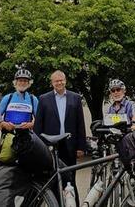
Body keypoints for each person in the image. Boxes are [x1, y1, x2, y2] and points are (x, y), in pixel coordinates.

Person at [34, 70, 86, 204]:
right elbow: (38, 125)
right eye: (56, 81)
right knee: (53, 180)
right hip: (50, 147)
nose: (59, 83)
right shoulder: (44, 99)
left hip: (70, 146)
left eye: (61, 80)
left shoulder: (75, 98)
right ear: (52, 83)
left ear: (65, 80)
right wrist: (39, 147)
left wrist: (81, 146)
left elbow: (80, 123)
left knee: (71, 180)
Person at [0, 67, 39, 131]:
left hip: (26, 134)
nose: (22, 83)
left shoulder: (33, 99)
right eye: (20, 80)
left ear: (29, 83)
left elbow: (40, 119)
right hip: (8, 134)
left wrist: (32, 124)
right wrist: (4, 124)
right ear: (15, 82)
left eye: (25, 81)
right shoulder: (7, 98)